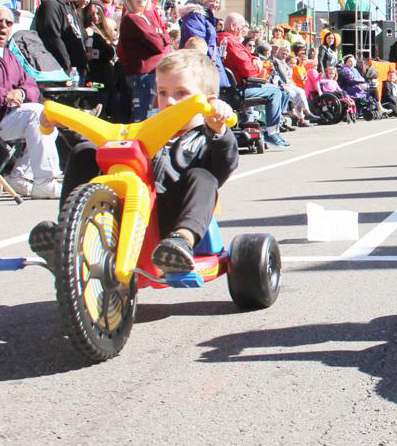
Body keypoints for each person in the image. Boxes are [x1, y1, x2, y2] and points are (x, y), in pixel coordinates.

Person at [30, 49, 238, 275]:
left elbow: (226, 162)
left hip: (169, 216)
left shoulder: (205, 138)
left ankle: (181, 242)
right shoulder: (143, 129)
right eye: (162, 92)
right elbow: (107, 142)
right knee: (85, 153)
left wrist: (219, 128)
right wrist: (66, 125)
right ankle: (66, 234)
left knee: (204, 176)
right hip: (121, 209)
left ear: (209, 101)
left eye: (181, 93)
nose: (168, 101)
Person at [0, 6, 62, 199]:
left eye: (8, 23)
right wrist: (5, 95)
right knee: (37, 114)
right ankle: (45, 182)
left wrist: (21, 92)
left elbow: (32, 85)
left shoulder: (10, 57)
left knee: (47, 118)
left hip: (10, 117)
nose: (3, 27)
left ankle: (19, 176)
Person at [216, 13, 290, 148]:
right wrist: (258, 66)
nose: (244, 30)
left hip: (231, 87)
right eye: (242, 27)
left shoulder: (222, 40)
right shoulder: (231, 42)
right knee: (275, 91)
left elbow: (249, 59)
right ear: (233, 26)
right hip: (238, 89)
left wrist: (254, 60)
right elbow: (248, 70)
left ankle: (262, 125)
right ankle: (271, 132)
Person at [118, 0, 172, 122]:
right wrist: (162, 36)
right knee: (143, 117)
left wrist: (161, 35)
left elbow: (163, 36)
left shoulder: (147, 18)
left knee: (149, 115)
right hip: (143, 75)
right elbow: (157, 44)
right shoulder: (132, 19)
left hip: (150, 74)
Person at [179, 0, 229, 88]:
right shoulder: (195, 16)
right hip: (203, 75)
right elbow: (197, 47)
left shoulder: (204, 18)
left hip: (209, 71)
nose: (215, 5)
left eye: (217, 2)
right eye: (212, 1)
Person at [32, 0, 89, 78]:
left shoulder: (69, 8)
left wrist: (84, 65)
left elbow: (80, 36)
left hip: (77, 73)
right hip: (62, 73)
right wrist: (67, 66)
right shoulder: (51, 5)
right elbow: (53, 38)